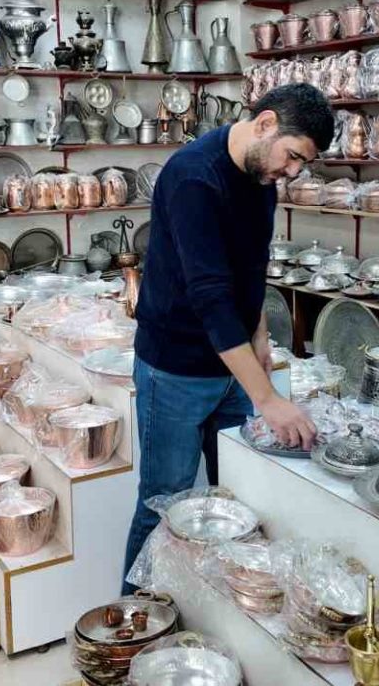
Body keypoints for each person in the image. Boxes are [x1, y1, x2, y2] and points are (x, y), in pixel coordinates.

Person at [121, 83, 334, 592]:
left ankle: (214, 606)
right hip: (174, 368)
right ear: (265, 124)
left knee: (237, 493)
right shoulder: (193, 177)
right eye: (293, 156)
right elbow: (211, 297)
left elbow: (251, 266)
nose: (293, 172)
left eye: (303, 164)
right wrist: (268, 399)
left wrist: (258, 333)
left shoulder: (261, 176)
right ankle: (136, 615)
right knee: (165, 500)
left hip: (233, 363)